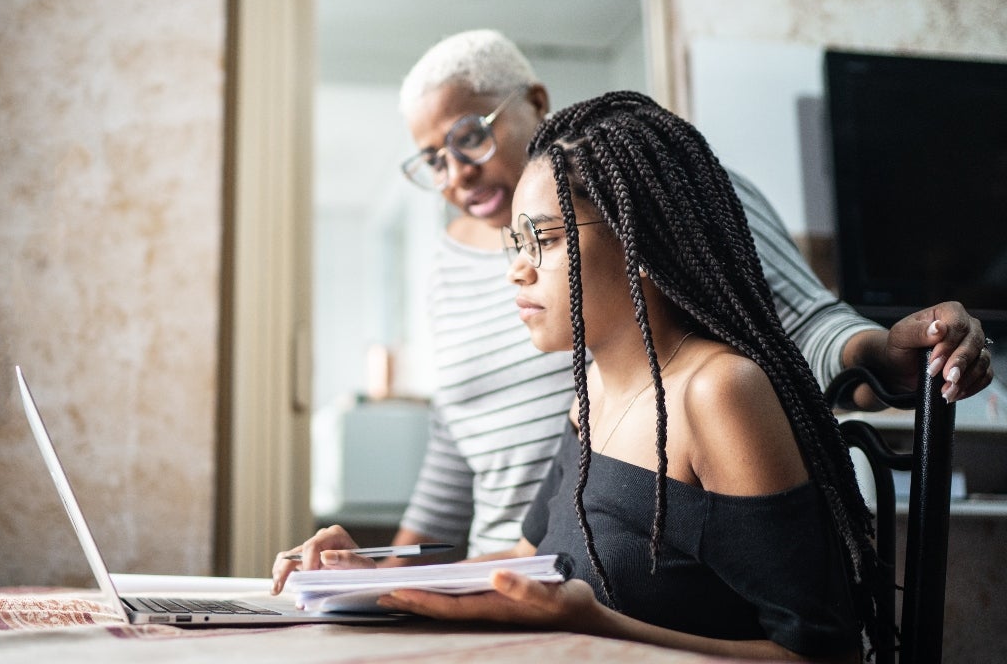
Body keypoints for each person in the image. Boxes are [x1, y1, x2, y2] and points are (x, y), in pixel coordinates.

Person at [277, 91, 884, 661]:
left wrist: (596, 625)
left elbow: (823, 654)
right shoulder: (589, 392)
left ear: (638, 238)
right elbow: (526, 558)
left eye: (541, 238)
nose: (517, 269)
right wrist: (370, 583)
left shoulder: (719, 392)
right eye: (515, 243)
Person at [375, 30, 993, 560]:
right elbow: (454, 448)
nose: (455, 172)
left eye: (468, 137)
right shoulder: (443, 268)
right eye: (433, 160)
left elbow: (802, 325)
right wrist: (381, 569)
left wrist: (883, 357)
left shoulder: (664, 199)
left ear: (534, 102)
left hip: (641, 579)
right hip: (519, 569)